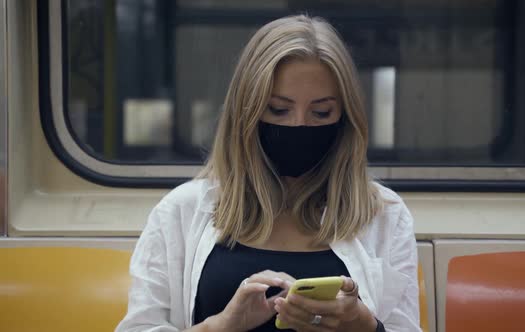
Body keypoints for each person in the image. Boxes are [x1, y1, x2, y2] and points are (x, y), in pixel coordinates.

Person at [116, 15, 420, 332]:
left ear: (344, 118)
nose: (299, 125)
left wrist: (363, 326)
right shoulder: (180, 211)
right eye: (278, 110)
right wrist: (219, 327)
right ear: (247, 111)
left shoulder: (385, 214)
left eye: (321, 113)